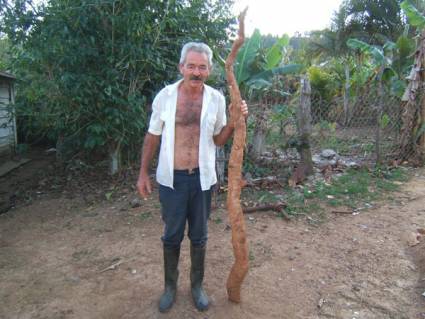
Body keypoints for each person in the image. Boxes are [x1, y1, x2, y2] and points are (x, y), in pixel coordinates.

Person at [137, 42, 248, 312]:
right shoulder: (165, 96)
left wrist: (234, 120)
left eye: (202, 67)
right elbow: (153, 135)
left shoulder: (217, 99)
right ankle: (170, 287)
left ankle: (197, 286)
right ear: (181, 67)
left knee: (199, 236)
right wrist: (143, 172)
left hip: (202, 179)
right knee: (172, 236)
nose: (196, 72)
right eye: (191, 66)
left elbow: (219, 140)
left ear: (209, 70)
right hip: (171, 180)